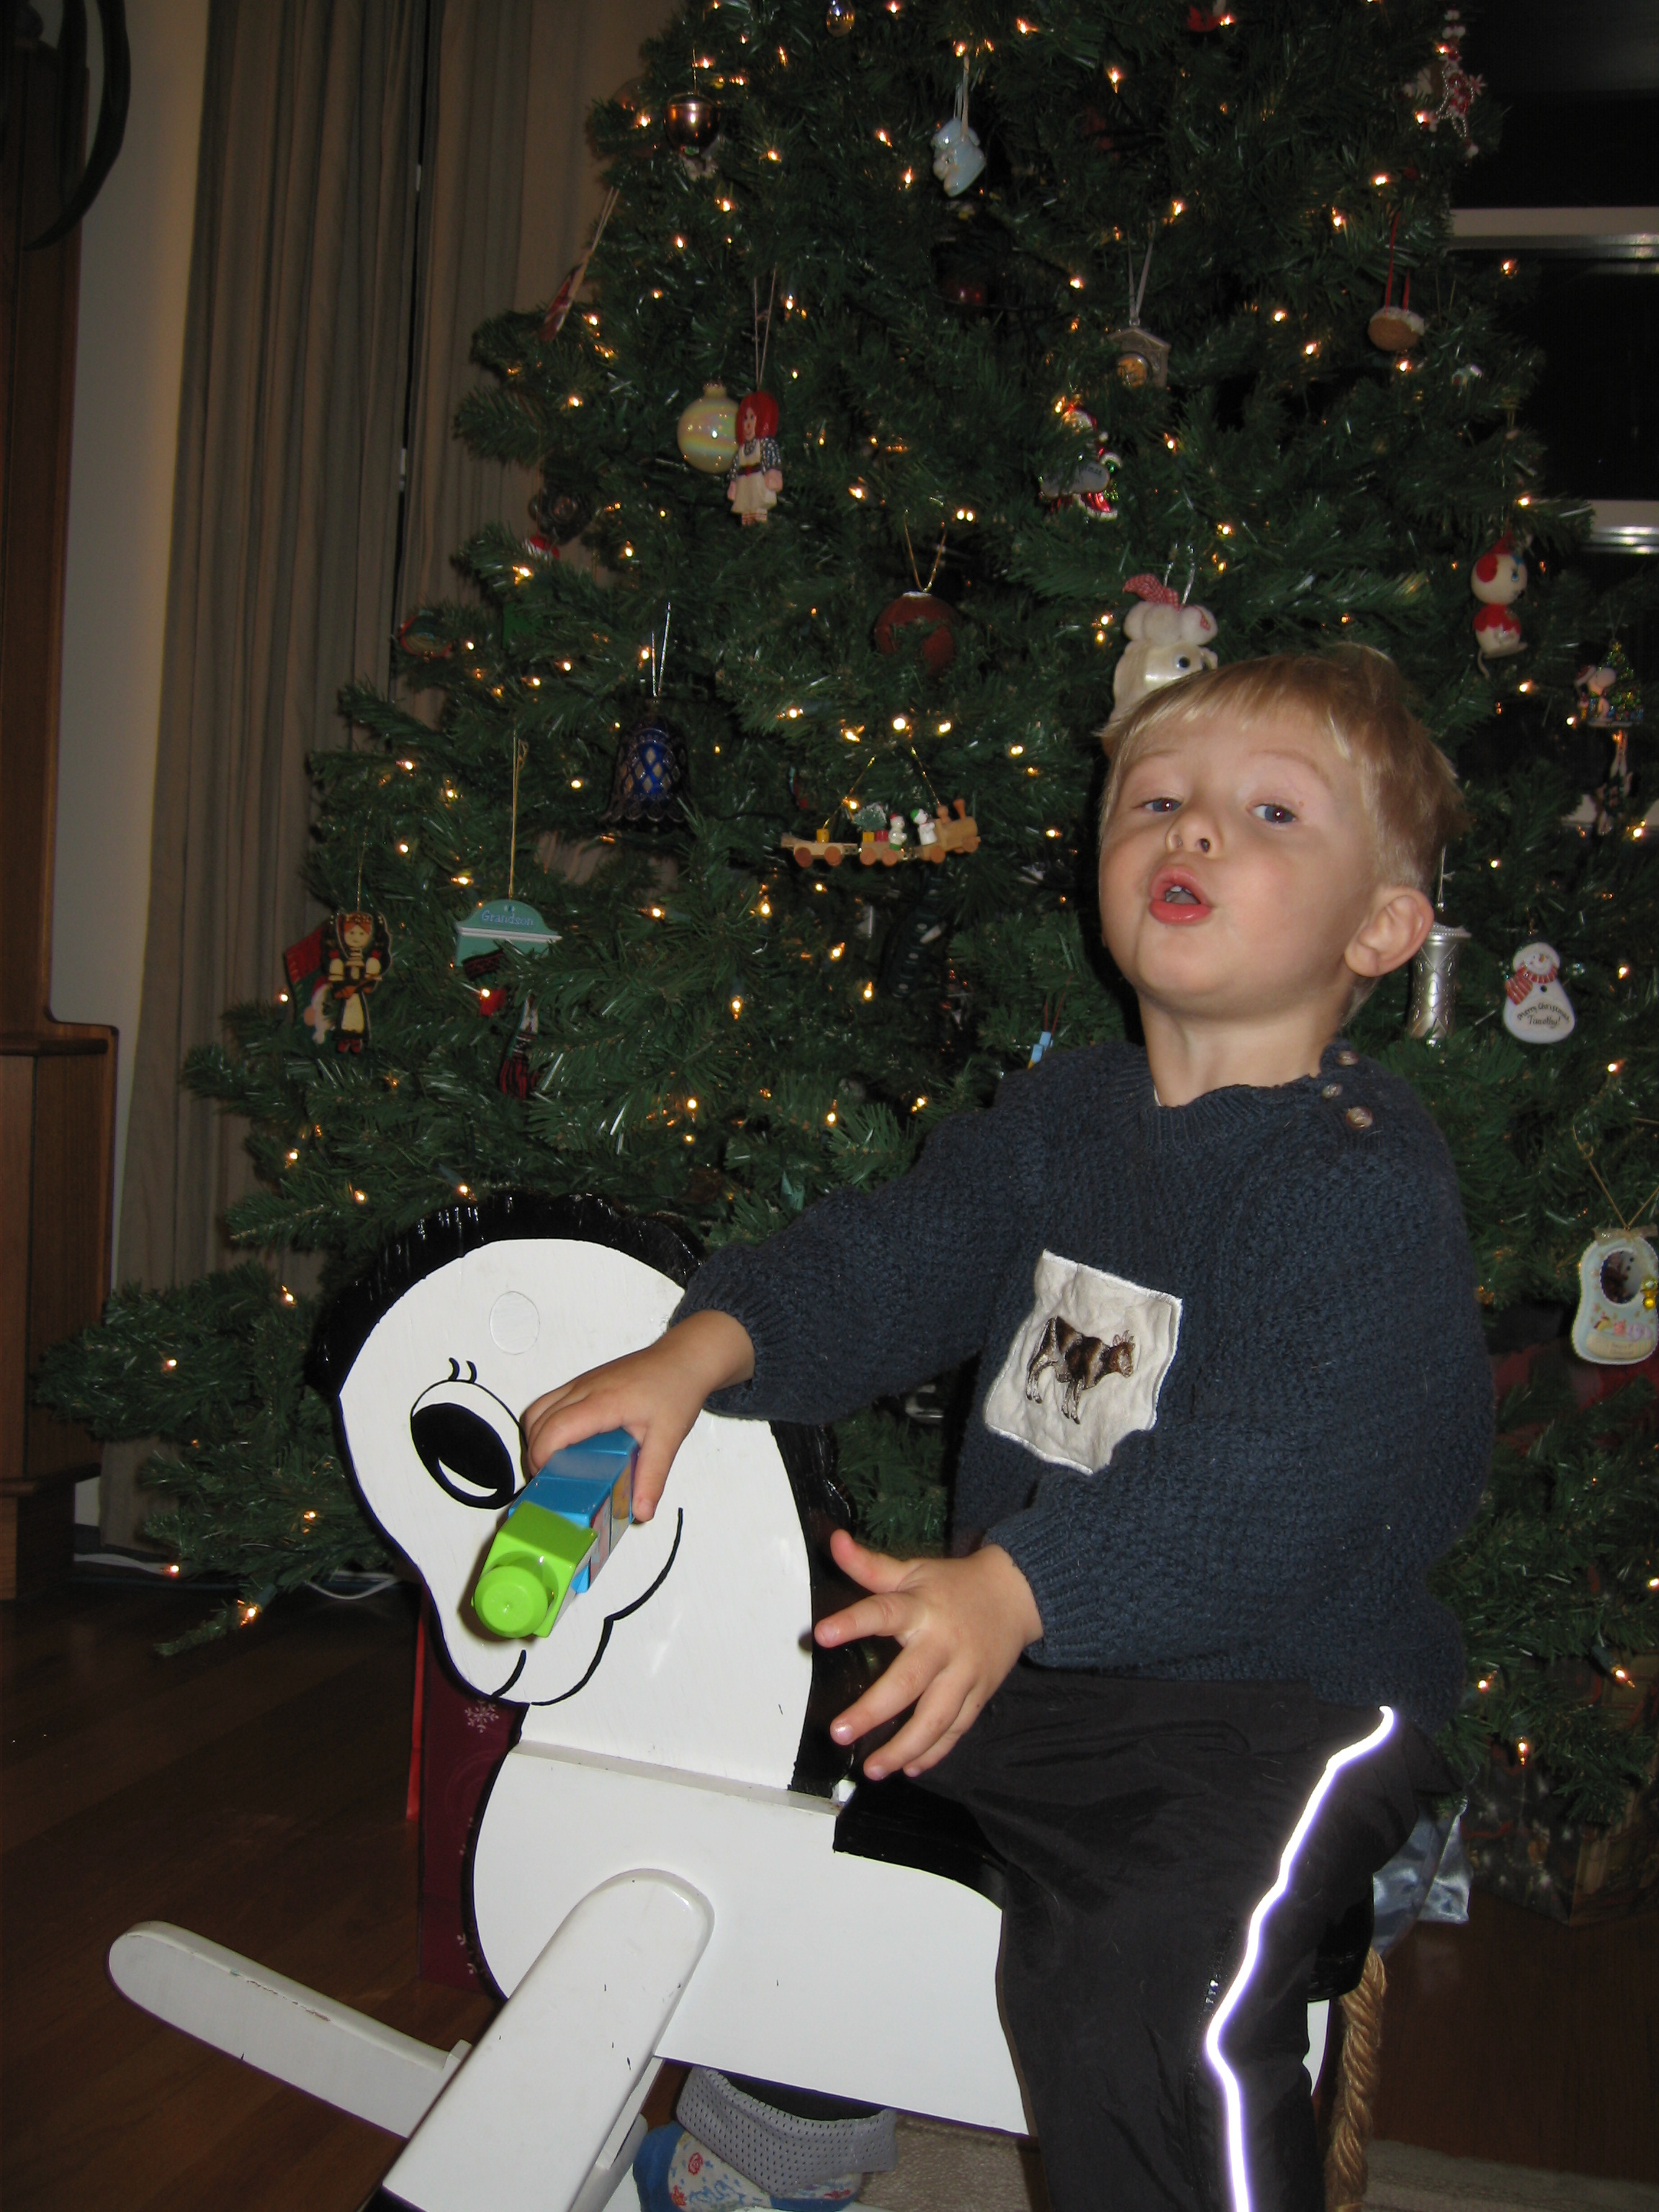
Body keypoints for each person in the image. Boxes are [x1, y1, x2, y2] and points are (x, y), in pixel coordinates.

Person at [523, 648, 1493, 2212]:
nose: (1193, 833)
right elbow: (893, 1257)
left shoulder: (1359, 1179)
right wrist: (700, 1352)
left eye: (1269, 814)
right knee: (815, 1823)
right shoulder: (1063, 1120)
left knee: (1147, 1982)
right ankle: (769, 2162)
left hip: (1281, 1707)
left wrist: (1025, 1585)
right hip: (1040, 1661)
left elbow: (1286, 1473)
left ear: (1380, 928)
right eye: (1156, 803)